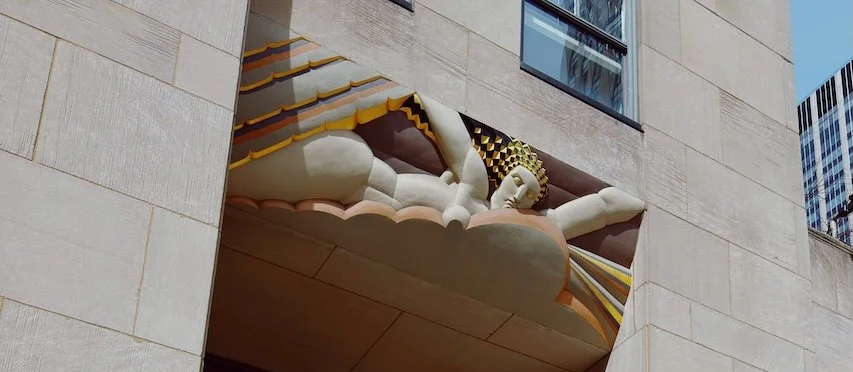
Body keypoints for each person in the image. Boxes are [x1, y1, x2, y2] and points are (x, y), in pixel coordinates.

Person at [229, 39, 644, 238]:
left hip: (370, 202)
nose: (520, 195)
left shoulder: (532, 224)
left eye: (530, 194)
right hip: (362, 175)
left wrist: (641, 202)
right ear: (505, 175)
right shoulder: (475, 180)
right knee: (330, 159)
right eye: (519, 181)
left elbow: (602, 208)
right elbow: (444, 117)